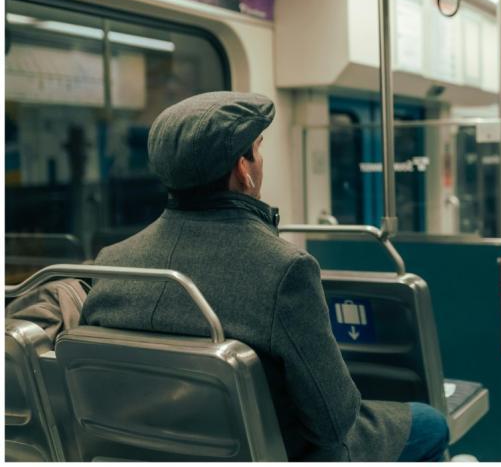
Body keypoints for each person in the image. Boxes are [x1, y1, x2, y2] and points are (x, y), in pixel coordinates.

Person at [81, 91, 449, 462]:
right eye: (258, 150)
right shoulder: (284, 269)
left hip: (152, 450)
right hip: (275, 452)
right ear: (243, 168)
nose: (261, 162)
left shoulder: (113, 262)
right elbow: (333, 422)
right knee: (430, 423)